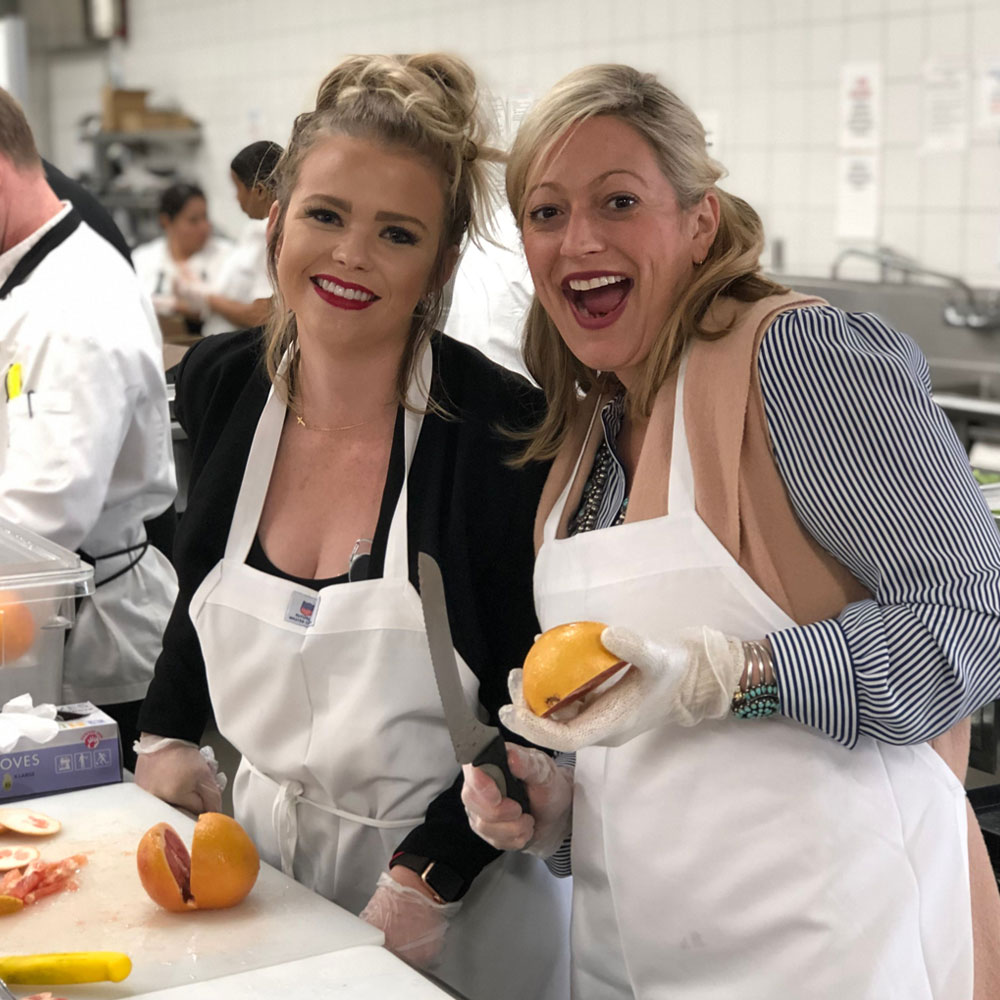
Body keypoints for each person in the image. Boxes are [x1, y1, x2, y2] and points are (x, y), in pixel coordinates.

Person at [461, 64, 1000, 999]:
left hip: (833, 950)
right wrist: (564, 820)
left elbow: (970, 621)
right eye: (546, 214)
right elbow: (674, 761)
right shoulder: (589, 433)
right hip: (635, 953)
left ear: (698, 220)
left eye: (619, 200)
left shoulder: (797, 360)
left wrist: (734, 676)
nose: (579, 239)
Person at [134, 54, 569, 1000]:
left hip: (458, 912)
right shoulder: (224, 383)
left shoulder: (498, 435)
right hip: (261, 883)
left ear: (441, 264)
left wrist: (431, 882)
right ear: (276, 216)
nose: (350, 257)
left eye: (397, 233)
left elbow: (535, 710)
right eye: (326, 215)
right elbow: (203, 577)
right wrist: (166, 733)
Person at [0, 88, 177, 771]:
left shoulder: (74, 306)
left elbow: (46, 517)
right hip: (43, 626)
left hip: (89, 645)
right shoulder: (34, 273)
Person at [183, 140, 282, 337]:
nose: (237, 199)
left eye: (238, 189)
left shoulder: (269, 233)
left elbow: (263, 316)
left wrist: (207, 299)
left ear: (260, 191)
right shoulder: (257, 232)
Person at [132, 182, 231, 331]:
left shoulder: (228, 256)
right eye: (193, 220)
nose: (204, 227)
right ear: (166, 221)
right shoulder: (142, 259)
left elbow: (234, 309)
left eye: (205, 217)